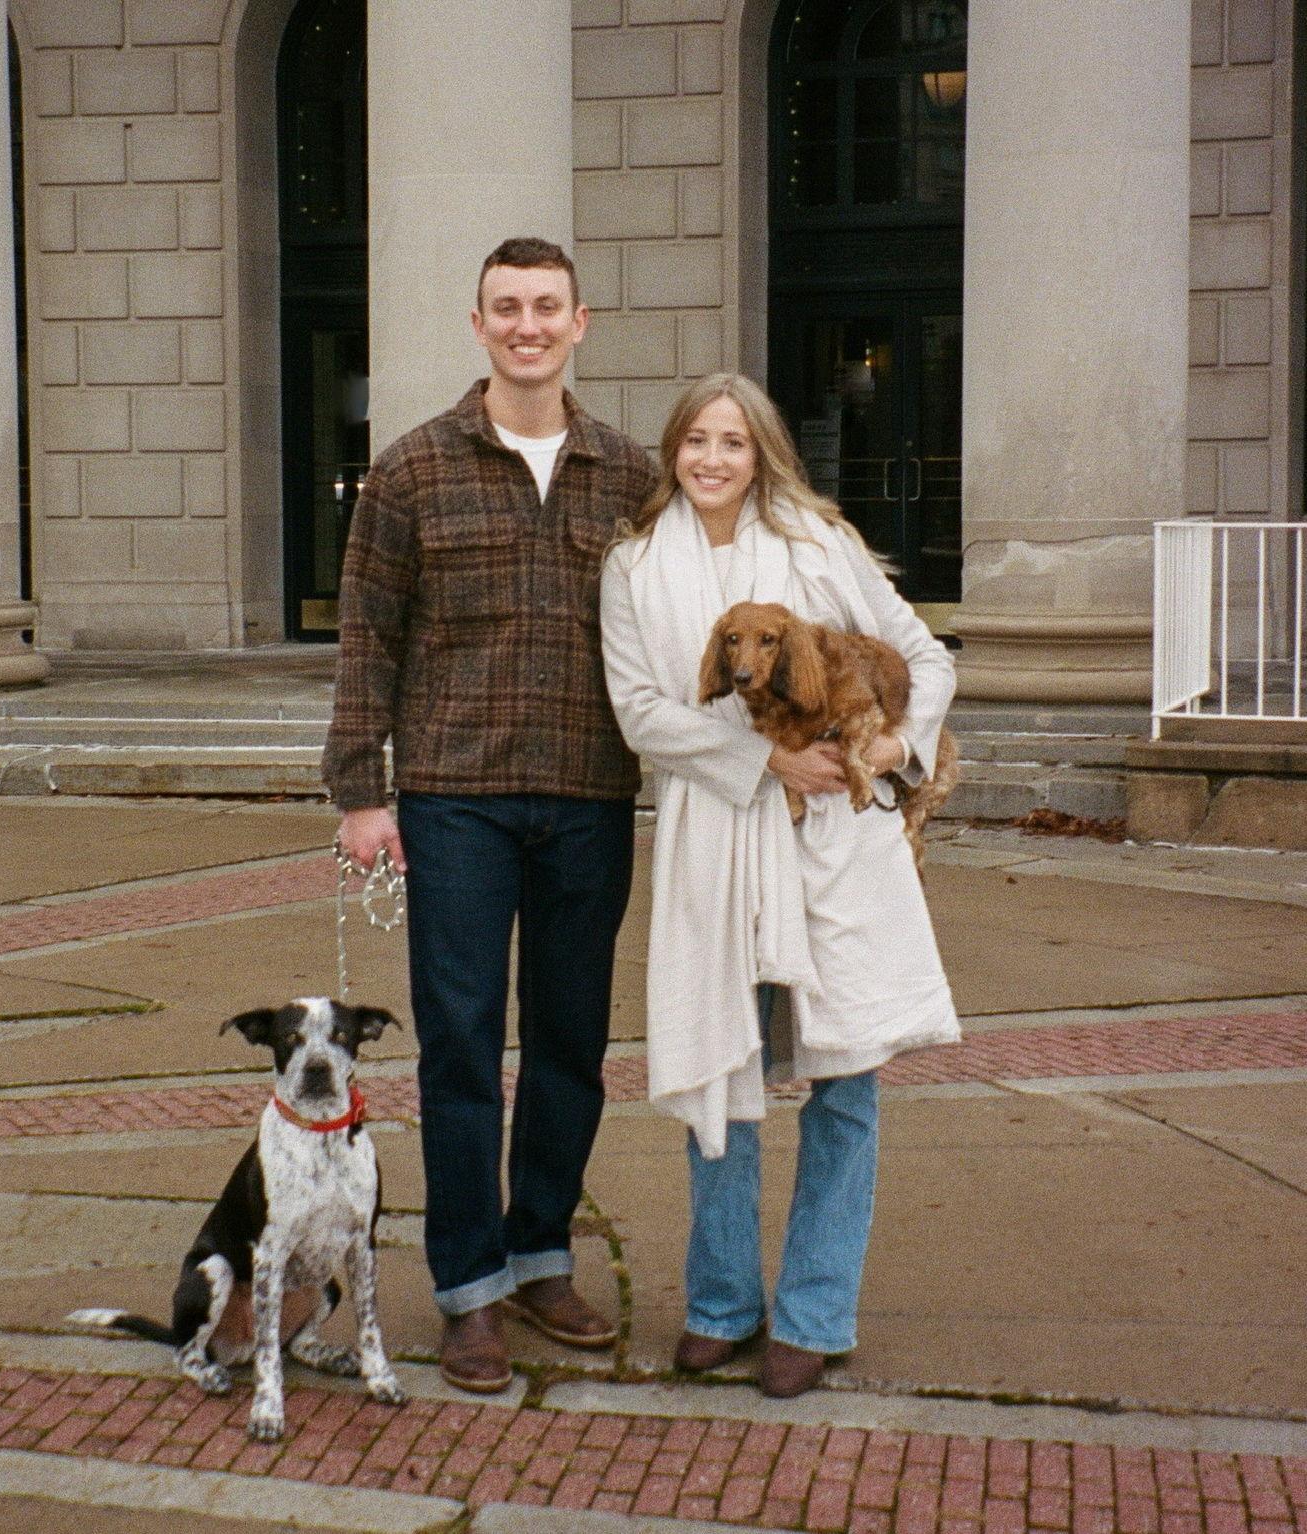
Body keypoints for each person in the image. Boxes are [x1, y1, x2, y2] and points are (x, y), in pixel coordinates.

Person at [321, 237, 656, 1393]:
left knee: (569, 1043)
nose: (527, 325)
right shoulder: (411, 472)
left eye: (546, 307)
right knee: (461, 1043)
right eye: (506, 307)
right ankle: (465, 1288)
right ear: (478, 325)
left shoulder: (630, 476)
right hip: (454, 795)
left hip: (587, 792)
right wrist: (361, 791)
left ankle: (539, 1255)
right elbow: (367, 636)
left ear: (580, 322)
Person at [599, 372, 959, 1398]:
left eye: (734, 442)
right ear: (673, 450)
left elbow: (923, 659)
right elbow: (638, 712)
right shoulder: (633, 565)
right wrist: (761, 761)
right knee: (725, 1064)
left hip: (835, 843)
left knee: (843, 1077)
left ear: (762, 455)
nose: (712, 459)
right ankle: (719, 1302)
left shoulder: (814, 544)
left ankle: (812, 1309)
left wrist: (891, 747)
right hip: (716, 834)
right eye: (696, 440)